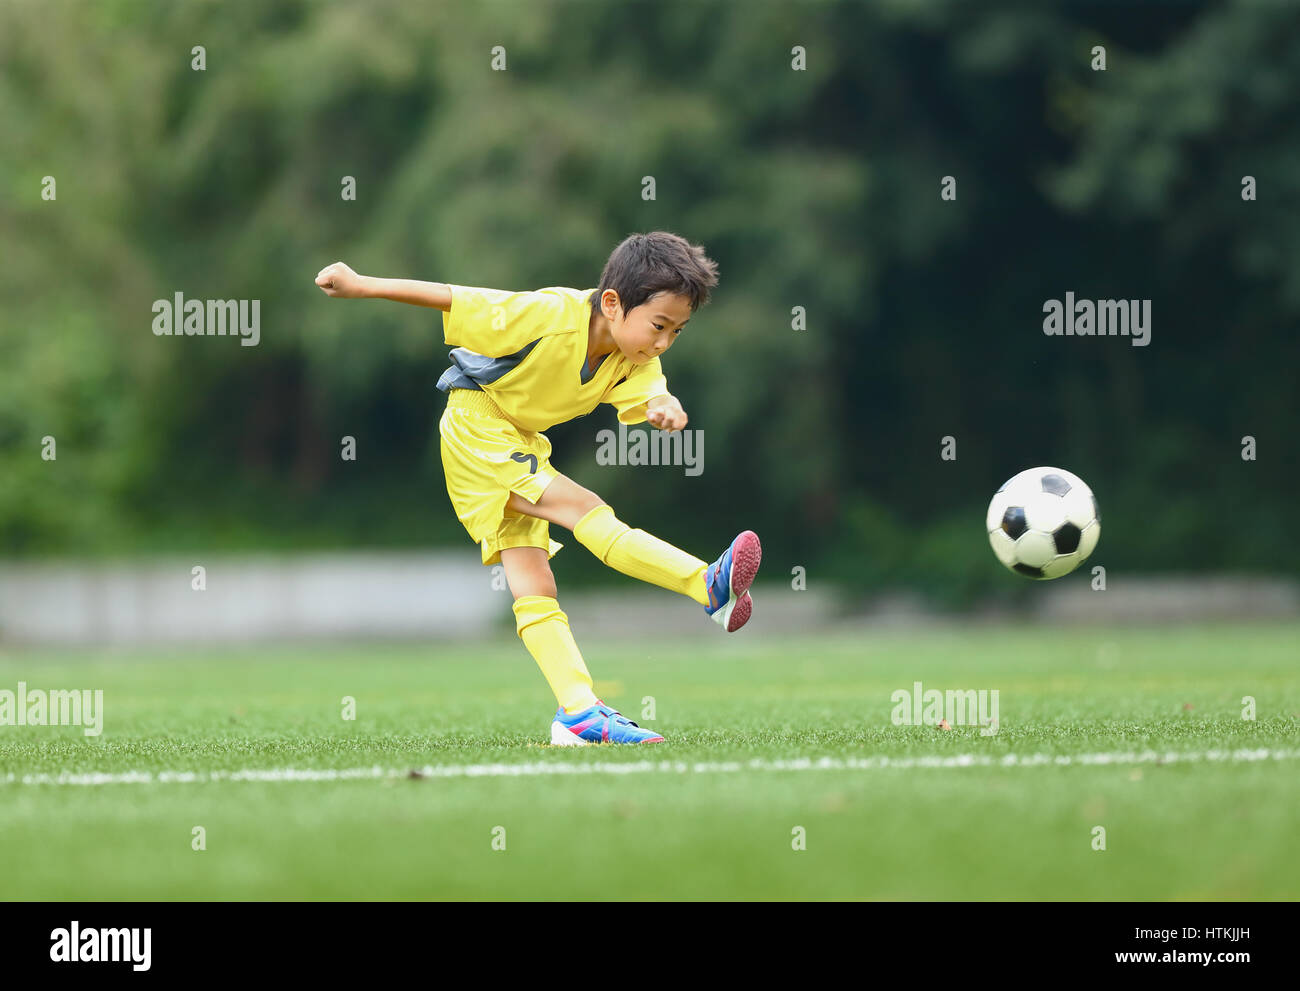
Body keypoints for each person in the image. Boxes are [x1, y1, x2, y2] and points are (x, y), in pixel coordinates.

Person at [315, 231, 761, 745]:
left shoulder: (635, 357)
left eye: (677, 332)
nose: (662, 343)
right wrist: (360, 284)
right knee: (585, 508)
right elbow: (452, 296)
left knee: (534, 584)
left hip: (518, 441)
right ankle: (706, 584)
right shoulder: (547, 316)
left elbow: (655, 392)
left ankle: (578, 714)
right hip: (476, 428)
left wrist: (668, 406)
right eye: (659, 326)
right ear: (612, 303)